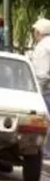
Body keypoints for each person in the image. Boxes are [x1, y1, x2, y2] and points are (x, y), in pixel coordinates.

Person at [30, 20, 50, 157]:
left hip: (46, 89)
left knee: (45, 120)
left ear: (38, 32)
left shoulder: (43, 47)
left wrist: (38, 91)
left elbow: (42, 73)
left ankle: (45, 150)